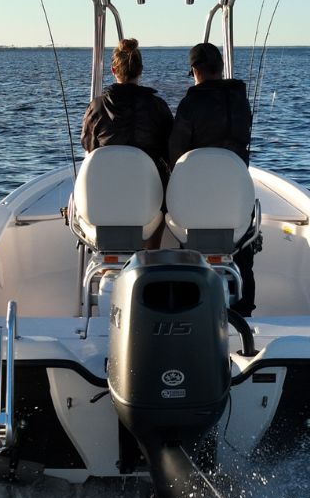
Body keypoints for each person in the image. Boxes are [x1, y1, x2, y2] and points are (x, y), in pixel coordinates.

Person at [169, 42, 258, 316]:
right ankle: (244, 310)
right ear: (220, 69)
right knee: (243, 248)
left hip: (196, 205)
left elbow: (175, 153)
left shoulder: (190, 104)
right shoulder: (241, 102)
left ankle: (185, 303)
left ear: (195, 71)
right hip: (235, 205)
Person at [80, 38, 174, 183]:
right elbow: (170, 150)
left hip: (107, 187)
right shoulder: (158, 106)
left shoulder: (96, 107)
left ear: (113, 70)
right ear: (140, 70)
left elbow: (89, 147)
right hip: (151, 191)